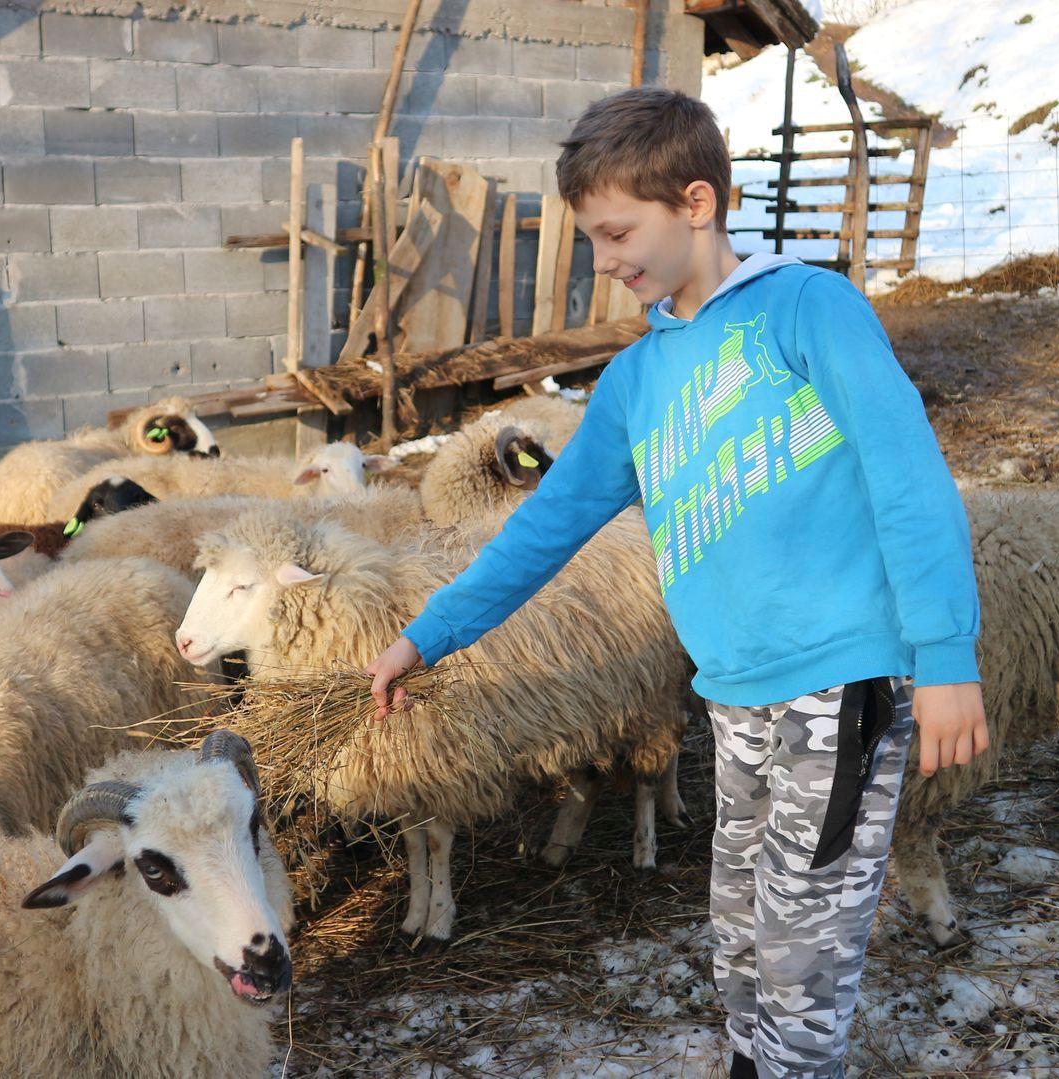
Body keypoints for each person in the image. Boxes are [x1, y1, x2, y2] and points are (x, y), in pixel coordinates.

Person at [363, 86, 989, 1079]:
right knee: (740, 927)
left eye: (617, 234)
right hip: (735, 693)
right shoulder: (640, 381)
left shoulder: (805, 310)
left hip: (843, 680)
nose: (606, 262)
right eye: (594, 240)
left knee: (803, 947)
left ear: (696, 203)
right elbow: (546, 528)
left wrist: (947, 652)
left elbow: (907, 474)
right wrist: (427, 632)